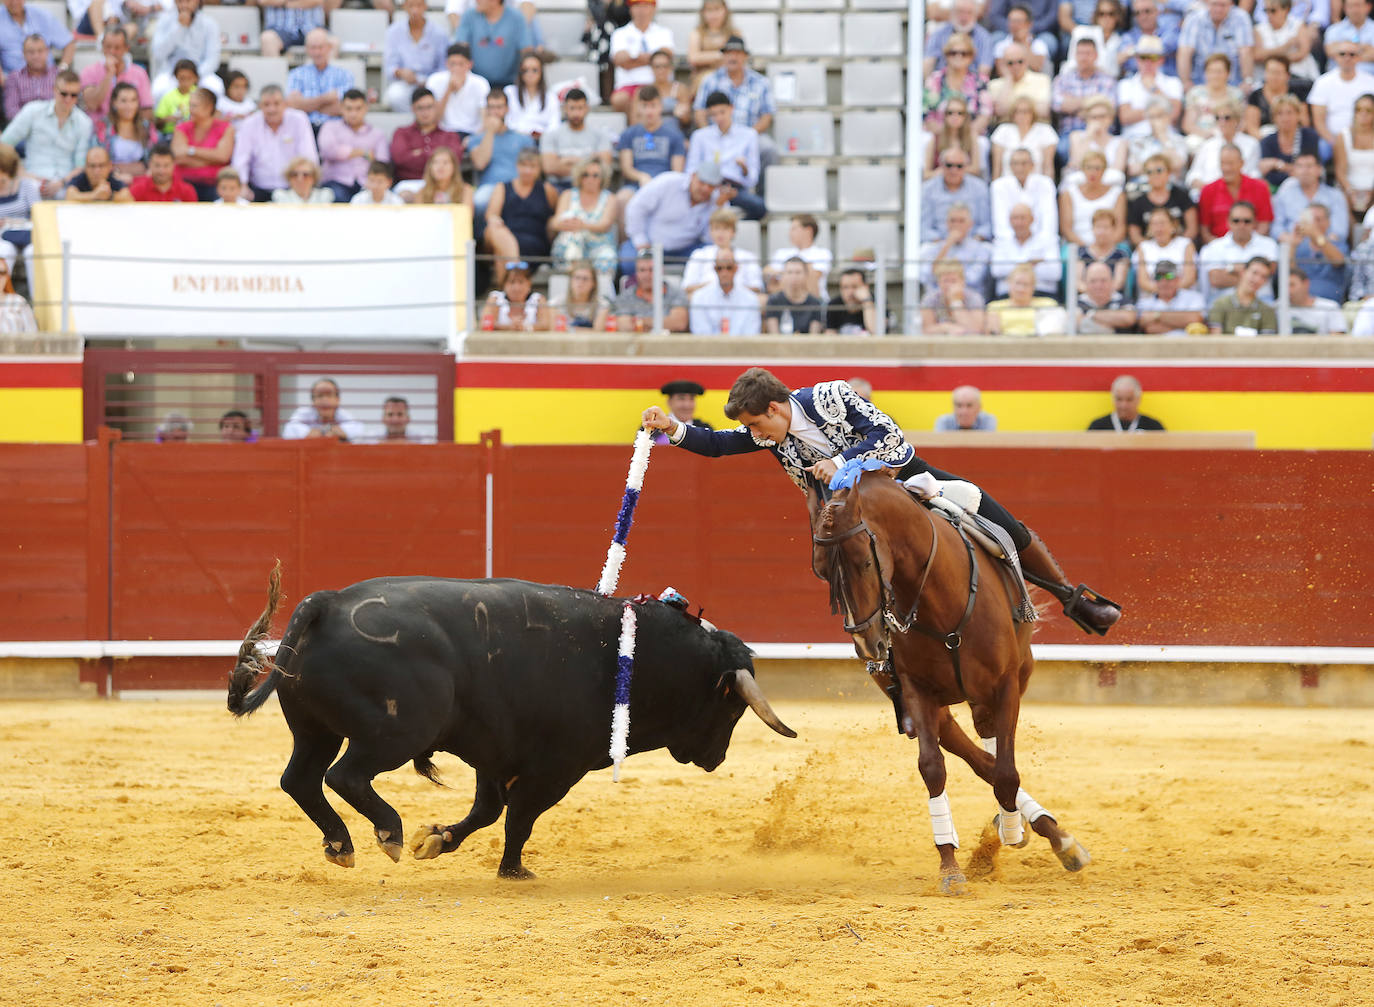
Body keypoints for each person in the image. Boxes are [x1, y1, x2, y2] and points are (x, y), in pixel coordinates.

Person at [641, 366, 1122, 634]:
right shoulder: (774, 437)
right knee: (839, 571)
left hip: (908, 483)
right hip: (848, 516)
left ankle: (1071, 598)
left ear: (774, 407)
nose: (754, 434)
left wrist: (844, 464)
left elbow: (891, 438)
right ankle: (888, 666)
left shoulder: (831, 395)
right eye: (751, 429)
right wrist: (671, 428)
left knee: (1003, 525)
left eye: (755, 424)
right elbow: (720, 444)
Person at [619, 163, 722, 278]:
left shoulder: (718, 201)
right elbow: (636, 207)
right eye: (702, 182)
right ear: (693, 176)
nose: (705, 189)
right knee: (629, 263)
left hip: (686, 250)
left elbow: (710, 239)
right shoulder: (669, 182)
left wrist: (716, 208)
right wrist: (641, 242)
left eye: (711, 185)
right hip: (649, 244)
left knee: (711, 261)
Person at [689, 35, 775, 173]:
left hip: (749, 134)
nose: (733, 57)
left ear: (745, 57)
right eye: (729, 53)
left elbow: (767, 116)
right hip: (717, 134)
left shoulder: (761, 82)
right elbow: (700, 112)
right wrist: (711, 136)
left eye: (737, 53)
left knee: (768, 149)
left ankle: (761, 193)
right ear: (723, 57)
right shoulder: (710, 80)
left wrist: (748, 136)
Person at [1, 68, 90, 198]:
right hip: (31, 180)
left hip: (66, 185)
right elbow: (4, 144)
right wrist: (21, 172)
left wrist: (62, 182)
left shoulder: (84, 122)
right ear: (54, 90)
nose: (68, 99)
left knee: (70, 193)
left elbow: (80, 165)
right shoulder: (33, 111)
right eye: (64, 94)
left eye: (74, 95)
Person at [231, 84, 318, 201]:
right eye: (266, 104)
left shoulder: (299, 119)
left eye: (276, 104)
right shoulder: (249, 124)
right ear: (260, 106)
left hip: (292, 188)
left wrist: (306, 185)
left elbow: (308, 156)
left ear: (285, 104)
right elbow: (241, 159)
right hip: (258, 188)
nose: (272, 109)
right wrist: (242, 185)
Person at [686, 90, 763, 219]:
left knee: (759, 207)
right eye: (714, 114)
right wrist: (707, 186)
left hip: (735, 189)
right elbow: (691, 170)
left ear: (731, 109)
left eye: (722, 112)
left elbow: (752, 179)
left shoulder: (749, 135)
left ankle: (729, 227)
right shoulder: (700, 136)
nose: (719, 118)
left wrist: (744, 168)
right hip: (707, 187)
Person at [484, 147, 554, 285]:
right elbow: (491, 214)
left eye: (532, 166)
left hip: (534, 244)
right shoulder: (503, 188)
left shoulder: (547, 190)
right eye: (523, 165)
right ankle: (515, 266)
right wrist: (495, 220)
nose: (527, 170)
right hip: (505, 235)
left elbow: (553, 217)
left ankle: (505, 292)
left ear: (539, 168)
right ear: (517, 166)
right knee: (495, 232)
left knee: (501, 252)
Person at [614, 84, 685, 215]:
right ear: (638, 107)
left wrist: (659, 184)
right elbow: (626, 168)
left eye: (653, 105)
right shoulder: (628, 134)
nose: (649, 111)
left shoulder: (674, 135)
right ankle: (628, 236)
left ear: (661, 106)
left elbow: (677, 172)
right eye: (645, 106)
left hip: (665, 186)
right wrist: (642, 177)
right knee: (622, 199)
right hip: (636, 185)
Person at [1198, 199, 1279, 305]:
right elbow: (1216, 279)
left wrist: (1230, 269)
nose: (1241, 225)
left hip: (1261, 301)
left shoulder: (1269, 244)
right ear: (1228, 222)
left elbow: (1270, 270)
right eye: (1236, 221)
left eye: (1247, 221)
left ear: (1254, 222)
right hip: (1224, 303)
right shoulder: (1215, 246)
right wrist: (1254, 274)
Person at [470, 90, 535, 219]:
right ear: (486, 110)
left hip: (518, 185)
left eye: (499, 107)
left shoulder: (523, 139)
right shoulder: (476, 140)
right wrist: (489, 132)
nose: (495, 112)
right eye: (491, 107)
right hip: (490, 187)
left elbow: (533, 168)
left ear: (507, 109)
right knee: (478, 202)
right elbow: (480, 163)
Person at [549, 157, 619, 278]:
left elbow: (605, 225)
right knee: (572, 243)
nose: (590, 179)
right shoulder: (568, 195)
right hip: (572, 243)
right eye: (585, 175)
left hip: (599, 245)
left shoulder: (609, 198)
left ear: (602, 178)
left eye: (595, 175)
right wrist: (568, 224)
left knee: (607, 257)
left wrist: (582, 225)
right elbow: (555, 222)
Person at [317, 89, 389, 203]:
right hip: (336, 182)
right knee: (336, 197)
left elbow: (382, 163)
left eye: (358, 108)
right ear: (341, 108)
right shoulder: (330, 127)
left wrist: (342, 152)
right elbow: (328, 151)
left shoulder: (377, 134)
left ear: (366, 108)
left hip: (367, 184)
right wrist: (363, 153)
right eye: (349, 108)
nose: (353, 114)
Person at [390, 87, 464, 189]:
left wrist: (419, 153)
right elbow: (400, 159)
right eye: (420, 108)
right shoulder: (401, 133)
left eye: (429, 107)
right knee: (406, 196)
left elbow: (455, 159)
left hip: (443, 186)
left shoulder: (450, 135)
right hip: (410, 185)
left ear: (436, 107)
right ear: (413, 109)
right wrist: (438, 157)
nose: (425, 112)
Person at [540, 87, 614, 191]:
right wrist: (588, 162)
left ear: (587, 108)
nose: (576, 113)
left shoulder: (600, 135)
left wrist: (567, 160)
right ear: (565, 108)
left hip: (592, 186)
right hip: (560, 186)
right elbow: (549, 168)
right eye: (572, 108)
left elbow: (605, 167)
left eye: (580, 108)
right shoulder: (550, 135)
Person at [150, 0, 222, 103]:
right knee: (158, 88)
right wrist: (179, 27)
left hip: (200, 74)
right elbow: (159, 54)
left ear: (197, 2)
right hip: (171, 74)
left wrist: (194, 76)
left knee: (215, 86)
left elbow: (212, 59)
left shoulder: (210, 24)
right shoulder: (164, 21)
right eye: (180, 1)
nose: (184, 5)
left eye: (188, 1)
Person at [1197, 145, 1273, 243]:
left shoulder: (1260, 188)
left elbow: (1264, 225)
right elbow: (1205, 231)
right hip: (1219, 250)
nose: (1226, 168)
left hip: (1253, 248)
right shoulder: (1208, 191)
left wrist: (1249, 246)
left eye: (1231, 163)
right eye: (1223, 163)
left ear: (1242, 163)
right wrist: (1219, 248)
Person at [384, 0, 449, 112]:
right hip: (405, 83)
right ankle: (413, 124)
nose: (415, 10)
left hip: (431, 83)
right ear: (404, 7)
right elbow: (389, 67)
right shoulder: (393, 32)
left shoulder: (439, 34)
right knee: (394, 95)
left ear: (425, 6)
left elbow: (444, 67)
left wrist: (429, 80)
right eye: (411, 6)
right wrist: (401, 72)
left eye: (419, 5)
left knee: (441, 93)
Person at [609, 0, 673, 114]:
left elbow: (666, 57)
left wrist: (632, 58)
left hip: (657, 84)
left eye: (645, 6)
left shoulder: (664, 32)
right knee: (619, 100)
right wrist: (653, 58)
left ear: (653, 8)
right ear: (630, 9)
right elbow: (620, 60)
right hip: (629, 86)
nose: (641, 10)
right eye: (637, 6)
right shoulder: (620, 33)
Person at [923, 32, 991, 138]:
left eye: (964, 53)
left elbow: (985, 114)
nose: (958, 56)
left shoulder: (980, 81)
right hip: (938, 136)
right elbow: (927, 114)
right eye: (953, 53)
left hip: (970, 137)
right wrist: (946, 137)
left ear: (971, 57)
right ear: (946, 55)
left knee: (981, 143)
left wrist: (964, 137)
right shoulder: (934, 79)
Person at [171, 86, 233, 201]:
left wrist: (191, 150)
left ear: (209, 107)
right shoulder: (181, 128)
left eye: (194, 106)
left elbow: (223, 156)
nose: (190, 109)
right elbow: (179, 157)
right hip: (184, 183)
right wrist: (211, 159)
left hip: (215, 186)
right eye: (190, 105)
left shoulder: (226, 128)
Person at [1273, 152, 1350, 244]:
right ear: (1294, 170)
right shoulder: (1285, 194)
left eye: (1309, 166)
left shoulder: (1335, 196)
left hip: (1328, 248)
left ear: (1320, 169)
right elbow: (1276, 228)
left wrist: (1319, 241)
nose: (1304, 171)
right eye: (1299, 166)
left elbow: (1340, 232)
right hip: (1293, 246)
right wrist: (1291, 240)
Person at [1309, 40, 1374, 148]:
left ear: (1359, 58)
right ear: (1335, 57)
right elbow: (1318, 121)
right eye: (1342, 54)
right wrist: (1335, 143)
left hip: (1367, 138)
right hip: (1331, 139)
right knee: (1322, 148)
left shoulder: (1370, 82)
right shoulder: (1323, 82)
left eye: (1352, 54)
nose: (1347, 58)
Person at [286, 28, 354, 129]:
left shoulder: (344, 75)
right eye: (313, 48)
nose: (317, 52)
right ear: (307, 49)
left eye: (320, 47)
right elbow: (292, 105)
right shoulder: (296, 74)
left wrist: (306, 105)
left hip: (334, 128)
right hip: (304, 128)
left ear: (329, 47)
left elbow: (344, 108)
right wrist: (326, 98)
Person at [1186, 100, 1260, 193]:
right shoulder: (1208, 145)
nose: (1222, 122)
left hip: (1240, 194)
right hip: (1210, 194)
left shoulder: (1251, 144)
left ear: (1237, 120)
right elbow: (1193, 174)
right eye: (1218, 118)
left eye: (1227, 117)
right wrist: (1206, 188)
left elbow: (1254, 174)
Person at [920, 146, 991, 243]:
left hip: (973, 245)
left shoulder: (980, 188)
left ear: (966, 167)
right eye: (949, 165)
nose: (954, 170)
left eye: (959, 166)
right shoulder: (928, 189)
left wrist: (971, 244)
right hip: (937, 245)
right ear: (941, 166)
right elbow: (924, 227)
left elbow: (986, 225)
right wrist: (945, 245)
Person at [1177, 0, 1254, 88]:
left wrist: (1247, 81)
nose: (1218, 9)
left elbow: (1246, 52)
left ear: (1231, 4)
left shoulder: (1241, 17)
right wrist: (1186, 82)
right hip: (1200, 84)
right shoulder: (1194, 18)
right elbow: (1184, 52)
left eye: (1223, 5)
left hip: (1233, 84)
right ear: (1207, 3)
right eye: (1214, 4)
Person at [919, 201, 991, 295]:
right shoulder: (933, 249)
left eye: (961, 221)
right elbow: (928, 277)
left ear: (970, 224)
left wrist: (948, 281)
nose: (956, 225)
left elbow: (973, 279)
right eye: (953, 221)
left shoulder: (981, 250)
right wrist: (947, 245)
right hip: (938, 300)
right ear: (946, 223)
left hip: (969, 301)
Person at [456, 0, 530, 91]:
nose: (476, 1)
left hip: (508, 84)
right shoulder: (469, 16)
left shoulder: (516, 18)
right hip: (475, 84)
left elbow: (526, 51)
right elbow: (460, 49)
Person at [79, 28, 150, 121]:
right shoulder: (89, 71)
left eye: (117, 48)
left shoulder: (139, 73)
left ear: (126, 48)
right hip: (99, 130)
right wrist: (109, 74)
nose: (112, 52)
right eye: (108, 47)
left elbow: (147, 109)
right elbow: (92, 104)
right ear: (102, 46)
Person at [1281, 205, 1348, 303]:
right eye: (1311, 220)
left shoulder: (1338, 245)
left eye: (1318, 219)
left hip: (1328, 304)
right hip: (1300, 302)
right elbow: (1290, 274)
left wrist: (1317, 236)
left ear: (1328, 222)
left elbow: (1338, 261)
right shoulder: (1299, 246)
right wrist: (1293, 245)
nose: (1313, 224)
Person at [1128, 152, 1197, 245]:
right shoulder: (1139, 202)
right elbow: (1135, 235)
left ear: (1168, 173)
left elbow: (1192, 229)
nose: (1155, 175)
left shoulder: (1181, 196)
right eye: (1149, 172)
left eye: (1159, 170)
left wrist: (1179, 246)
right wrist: (1151, 249)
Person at [1058, 150, 1124, 248]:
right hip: (1077, 245)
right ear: (1082, 169)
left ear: (1104, 170)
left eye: (1097, 168)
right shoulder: (1068, 194)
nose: (1093, 172)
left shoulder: (1117, 194)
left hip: (1110, 246)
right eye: (1089, 167)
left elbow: (1120, 228)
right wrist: (1088, 249)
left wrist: (1104, 249)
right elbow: (1066, 229)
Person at [613, 247, 689, 332]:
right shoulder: (626, 296)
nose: (647, 275)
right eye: (642, 270)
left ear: (661, 271)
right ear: (636, 273)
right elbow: (624, 326)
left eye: (652, 269)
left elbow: (679, 324)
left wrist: (641, 321)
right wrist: (665, 323)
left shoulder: (676, 293)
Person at [991, 203, 1059, 297]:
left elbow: (1055, 273)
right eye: (1015, 218)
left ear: (1032, 219)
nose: (1019, 222)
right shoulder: (1001, 242)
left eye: (1023, 218)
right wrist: (1031, 263)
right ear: (1009, 220)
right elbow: (996, 270)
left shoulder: (1048, 241)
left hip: (1042, 294)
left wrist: (1013, 265)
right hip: (1007, 297)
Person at [991, 146, 1057, 242]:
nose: (1020, 167)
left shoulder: (1046, 184)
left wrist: (1037, 243)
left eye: (1024, 163)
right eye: (1015, 163)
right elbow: (1000, 224)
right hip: (1008, 243)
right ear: (1010, 166)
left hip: (1041, 242)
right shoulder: (998, 186)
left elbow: (1049, 220)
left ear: (1032, 165)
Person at [426, 43, 490, 141]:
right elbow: (434, 119)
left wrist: (473, 139)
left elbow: (485, 120)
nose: (456, 68)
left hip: (472, 133)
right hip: (443, 133)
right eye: (452, 64)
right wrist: (449, 90)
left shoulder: (481, 84)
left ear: (470, 64)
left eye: (461, 64)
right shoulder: (434, 80)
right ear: (446, 63)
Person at [689, 248, 760, 335]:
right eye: (720, 268)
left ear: (736, 268)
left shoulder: (751, 299)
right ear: (714, 269)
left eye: (729, 268)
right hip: (709, 347)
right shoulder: (699, 298)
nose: (724, 273)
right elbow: (701, 334)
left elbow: (751, 333)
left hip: (742, 347)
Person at [1258, 92, 1321, 190]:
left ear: (1298, 115)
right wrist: (1294, 170)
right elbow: (1269, 176)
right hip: (1276, 189)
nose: (1285, 118)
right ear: (1274, 118)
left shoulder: (1309, 136)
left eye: (1289, 113)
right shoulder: (1267, 141)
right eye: (1280, 113)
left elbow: (1313, 169)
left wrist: (1278, 165)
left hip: (1306, 188)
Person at [0, 1, 72, 82]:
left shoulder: (41, 16)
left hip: (48, 79)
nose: (14, 2)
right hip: (13, 82)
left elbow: (68, 42)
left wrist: (62, 68)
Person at [1133, 206, 1196, 295]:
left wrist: (1169, 293)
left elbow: (1189, 278)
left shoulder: (1185, 244)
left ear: (1172, 226)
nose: (1159, 228)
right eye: (1154, 224)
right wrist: (1163, 293)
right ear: (1149, 228)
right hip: (1152, 298)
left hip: (1182, 296)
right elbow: (1143, 282)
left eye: (1162, 223)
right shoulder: (1143, 247)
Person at [990, 95, 1057, 178]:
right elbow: (997, 168)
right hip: (1007, 183)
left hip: (1036, 183)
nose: (1022, 115)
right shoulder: (1002, 130)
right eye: (1018, 111)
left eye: (1026, 111)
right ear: (1013, 114)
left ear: (1033, 113)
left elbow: (1048, 167)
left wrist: (1048, 187)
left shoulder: (1045, 130)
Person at [766, 213, 832, 298]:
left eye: (794, 229)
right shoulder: (781, 253)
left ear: (808, 230)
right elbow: (767, 272)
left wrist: (783, 274)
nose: (789, 233)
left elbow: (812, 280)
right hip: (784, 301)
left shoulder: (823, 253)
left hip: (813, 302)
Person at [1208, 256, 1278, 334]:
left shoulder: (1267, 310)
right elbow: (1215, 339)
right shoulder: (1220, 304)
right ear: (1243, 272)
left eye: (1263, 277)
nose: (1257, 280)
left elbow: (1267, 343)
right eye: (1255, 273)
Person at [282, 377, 367, 441]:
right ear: (313, 401)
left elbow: (358, 430)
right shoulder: (303, 413)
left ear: (337, 400)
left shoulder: (343, 414)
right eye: (320, 395)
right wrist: (326, 432)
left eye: (329, 395)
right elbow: (289, 430)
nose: (324, 399)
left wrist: (325, 431)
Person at [986, 262, 1060, 336]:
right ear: (1009, 283)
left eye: (1026, 284)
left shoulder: (1048, 304)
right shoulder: (994, 306)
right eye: (1017, 283)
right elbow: (994, 335)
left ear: (1033, 286)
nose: (1021, 289)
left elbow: (1051, 334)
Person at [924, 0, 995, 77]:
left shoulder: (984, 38)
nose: (964, 17)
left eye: (969, 12)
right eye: (960, 12)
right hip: (941, 84)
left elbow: (984, 71)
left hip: (972, 85)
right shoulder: (938, 34)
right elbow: (927, 64)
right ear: (952, 13)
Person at [1135, 260, 1206, 336]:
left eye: (1169, 276)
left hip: (1189, 345)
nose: (1164, 282)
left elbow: (1195, 319)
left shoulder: (1194, 297)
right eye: (1158, 277)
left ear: (1178, 279)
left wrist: (1157, 315)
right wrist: (1183, 324)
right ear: (1154, 280)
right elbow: (1149, 328)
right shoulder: (1145, 301)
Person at [987, 42, 1051, 121]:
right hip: (1006, 128)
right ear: (1003, 65)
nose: (1016, 66)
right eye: (1010, 63)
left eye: (1020, 61)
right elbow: (1000, 111)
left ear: (1027, 61)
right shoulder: (994, 84)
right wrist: (1008, 80)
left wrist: (1011, 108)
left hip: (1035, 127)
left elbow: (1043, 111)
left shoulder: (1042, 79)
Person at [1066, 95, 1127, 177]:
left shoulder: (1120, 141)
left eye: (1102, 116)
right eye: (1094, 117)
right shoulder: (1076, 136)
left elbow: (1118, 171)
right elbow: (1076, 164)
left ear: (1111, 118)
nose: (1099, 121)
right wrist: (1089, 137)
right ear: (1087, 119)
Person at [921, 259, 986, 336]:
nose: (949, 285)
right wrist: (946, 327)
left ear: (962, 281)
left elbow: (975, 331)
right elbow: (927, 329)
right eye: (945, 281)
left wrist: (956, 302)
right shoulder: (930, 299)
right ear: (939, 282)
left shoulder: (974, 298)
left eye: (953, 281)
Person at [1334, 93, 1374, 220]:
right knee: (1342, 202)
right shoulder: (1344, 136)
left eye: (1368, 110)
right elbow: (1340, 170)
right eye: (1359, 109)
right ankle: (1352, 238)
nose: (1363, 113)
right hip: (1349, 189)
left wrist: (1371, 192)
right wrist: (1350, 191)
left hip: (1372, 188)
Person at [0, 142, 38, 274]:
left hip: (27, 235)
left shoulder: (27, 185)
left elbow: (39, 216)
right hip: (2, 238)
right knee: (3, 251)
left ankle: (39, 295)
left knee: (34, 253)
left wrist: (11, 222)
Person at [504, 50, 559, 139]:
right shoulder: (509, 92)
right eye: (525, 70)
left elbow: (554, 125)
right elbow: (505, 121)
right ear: (520, 72)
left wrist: (542, 135)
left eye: (534, 70)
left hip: (542, 141)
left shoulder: (550, 97)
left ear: (541, 72)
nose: (530, 74)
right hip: (514, 138)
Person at [481, 260, 550, 331]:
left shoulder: (538, 299)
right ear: (504, 284)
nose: (516, 288)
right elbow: (484, 323)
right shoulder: (495, 298)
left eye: (521, 282)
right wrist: (508, 327)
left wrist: (525, 327)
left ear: (529, 284)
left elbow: (546, 325)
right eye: (512, 282)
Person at [763, 256, 824, 335]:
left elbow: (814, 336)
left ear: (806, 275)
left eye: (798, 272)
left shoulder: (815, 303)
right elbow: (774, 335)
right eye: (789, 272)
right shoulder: (773, 301)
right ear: (783, 275)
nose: (793, 277)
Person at [1076, 207, 1130, 293]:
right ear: (1092, 228)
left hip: (1112, 299)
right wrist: (1094, 294)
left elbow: (1118, 283)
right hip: (1087, 298)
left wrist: (1102, 295)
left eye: (1106, 227)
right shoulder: (1082, 253)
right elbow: (1078, 282)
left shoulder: (1121, 255)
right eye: (1098, 227)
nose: (1102, 231)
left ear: (1113, 229)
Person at [1076, 261, 1138, 334]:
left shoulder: (1123, 300)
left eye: (1103, 280)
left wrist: (1091, 314)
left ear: (1112, 281)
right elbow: (1075, 321)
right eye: (1093, 281)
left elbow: (1129, 319)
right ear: (1085, 282)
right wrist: (1112, 322)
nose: (1098, 285)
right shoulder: (1076, 302)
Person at [4, 33, 54, 123]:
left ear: (47, 52)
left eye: (40, 51)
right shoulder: (14, 78)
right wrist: (31, 124)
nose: (36, 56)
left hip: (54, 126)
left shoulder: (59, 76)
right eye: (31, 52)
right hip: (24, 129)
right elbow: (11, 111)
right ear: (23, 54)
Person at [687, 0, 734, 95]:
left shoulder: (734, 33)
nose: (713, 15)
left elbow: (738, 58)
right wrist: (721, 55)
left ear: (725, 11)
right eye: (709, 10)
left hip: (730, 76)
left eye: (717, 9)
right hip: (702, 79)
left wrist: (706, 57)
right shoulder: (697, 33)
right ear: (703, 13)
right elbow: (693, 58)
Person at [1087, 375, 1166, 431]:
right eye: (1119, 399)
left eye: (1129, 399)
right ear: (1112, 399)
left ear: (1138, 399)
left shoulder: (1153, 428)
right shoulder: (1097, 427)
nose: (1123, 405)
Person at [257, 0, 328, 59]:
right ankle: (276, 75)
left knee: (332, 42)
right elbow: (263, 1)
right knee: (267, 39)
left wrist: (283, 3)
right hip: (279, 28)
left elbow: (319, 1)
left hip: (312, 28)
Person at [1287, 266, 1348, 334]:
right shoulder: (1278, 308)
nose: (1288, 290)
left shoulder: (1330, 307)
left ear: (1306, 283)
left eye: (1292, 285)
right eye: (1284, 286)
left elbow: (1338, 338)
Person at [552, 259, 611, 329]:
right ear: (570, 281)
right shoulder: (556, 304)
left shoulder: (603, 305)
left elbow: (598, 332)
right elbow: (555, 332)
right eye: (577, 278)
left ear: (594, 283)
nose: (580, 282)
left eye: (585, 279)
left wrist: (569, 330)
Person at [64, 144, 131, 202]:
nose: (97, 171)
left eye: (101, 165)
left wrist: (110, 196)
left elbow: (127, 197)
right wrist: (94, 195)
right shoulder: (82, 177)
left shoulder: (113, 177)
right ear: (85, 167)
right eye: (92, 166)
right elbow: (69, 195)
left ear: (109, 166)